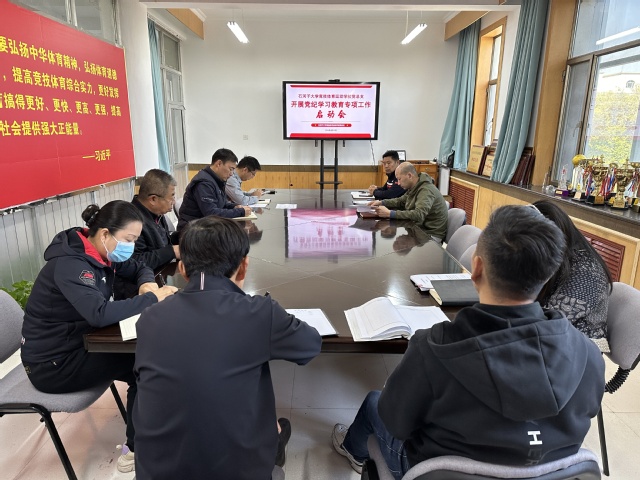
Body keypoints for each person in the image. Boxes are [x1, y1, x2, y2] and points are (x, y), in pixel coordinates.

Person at [332, 205, 605, 479]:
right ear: (547, 277)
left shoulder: (434, 349)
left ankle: (352, 450)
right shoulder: (589, 355)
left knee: (374, 402)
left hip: (435, 471)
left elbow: (395, 423)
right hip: (547, 473)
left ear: (476, 268)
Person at [133, 216, 322, 480]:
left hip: (156, 472)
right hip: (239, 471)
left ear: (182, 269)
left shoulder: (150, 318)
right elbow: (310, 345)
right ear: (244, 266)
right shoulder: (260, 313)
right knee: (271, 423)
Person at [20, 200, 178, 474]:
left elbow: (138, 265)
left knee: (149, 358)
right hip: (53, 364)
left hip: (79, 343)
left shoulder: (100, 253)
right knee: (147, 364)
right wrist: (153, 298)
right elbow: (99, 314)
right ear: (105, 234)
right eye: (129, 239)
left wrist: (146, 283)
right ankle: (136, 451)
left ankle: (151, 426)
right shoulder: (72, 264)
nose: (131, 246)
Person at [533, 200, 613, 352]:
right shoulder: (555, 258)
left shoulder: (587, 273)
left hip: (579, 351)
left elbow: (551, 324)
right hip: (550, 340)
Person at [114, 169, 180, 299]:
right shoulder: (131, 221)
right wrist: (172, 251)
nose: (174, 201)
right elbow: (133, 262)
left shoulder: (155, 213)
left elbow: (161, 243)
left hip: (160, 275)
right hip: (137, 291)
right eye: (171, 196)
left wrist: (182, 237)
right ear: (153, 199)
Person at [177, 148, 252, 232]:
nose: (231, 174)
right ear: (219, 164)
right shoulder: (204, 183)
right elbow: (211, 213)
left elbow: (221, 204)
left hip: (204, 227)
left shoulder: (216, 180)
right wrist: (240, 212)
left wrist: (234, 206)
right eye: (230, 169)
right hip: (192, 232)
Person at [369, 162, 448, 242]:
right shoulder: (414, 186)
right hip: (418, 229)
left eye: (399, 179)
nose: (398, 183)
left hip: (430, 235)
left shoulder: (426, 190)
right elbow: (400, 201)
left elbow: (419, 214)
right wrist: (381, 202)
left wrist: (390, 213)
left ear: (409, 175)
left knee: (394, 243)